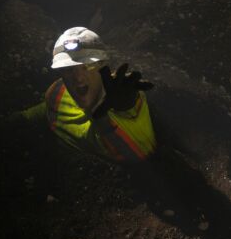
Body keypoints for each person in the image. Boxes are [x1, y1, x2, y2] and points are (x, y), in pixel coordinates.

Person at [20, 26, 156, 163]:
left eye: (88, 65)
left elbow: (141, 152)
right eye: (68, 69)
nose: (78, 77)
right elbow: (37, 114)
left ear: (102, 65)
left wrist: (126, 106)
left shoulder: (126, 96)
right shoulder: (57, 95)